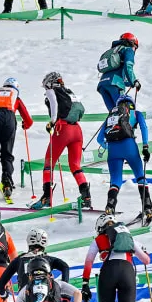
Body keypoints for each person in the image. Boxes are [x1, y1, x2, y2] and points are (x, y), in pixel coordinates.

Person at [30, 72, 91, 209]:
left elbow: (53, 104)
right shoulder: (69, 92)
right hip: (77, 130)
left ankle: (46, 198)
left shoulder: (52, 91)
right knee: (75, 165)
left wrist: (52, 122)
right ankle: (86, 196)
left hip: (62, 129)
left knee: (48, 163)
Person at [96, 95, 152, 220]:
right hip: (129, 146)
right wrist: (145, 147)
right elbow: (144, 128)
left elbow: (99, 139)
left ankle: (110, 206)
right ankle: (147, 206)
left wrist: (108, 146)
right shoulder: (136, 114)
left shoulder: (111, 117)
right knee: (140, 175)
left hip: (113, 149)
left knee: (115, 180)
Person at [96, 33, 140, 111]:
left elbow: (123, 76)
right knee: (123, 112)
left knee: (113, 113)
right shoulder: (128, 49)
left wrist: (131, 83)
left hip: (102, 85)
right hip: (115, 84)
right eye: (135, 47)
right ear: (132, 43)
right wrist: (134, 81)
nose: (134, 50)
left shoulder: (113, 51)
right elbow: (128, 66)